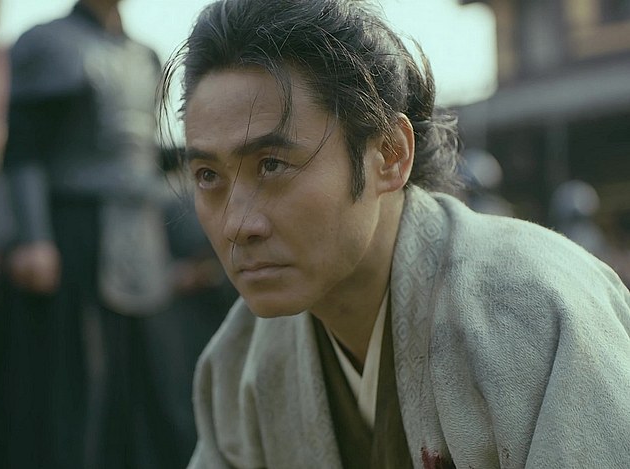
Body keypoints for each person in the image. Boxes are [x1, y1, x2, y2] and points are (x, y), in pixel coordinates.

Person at [159, 0, 630, 467]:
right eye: (208, 176)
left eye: (272, 165)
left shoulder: (534, 312)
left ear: (389, 154)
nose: (236, 225)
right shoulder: (240, 362)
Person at [0, 0, 171, 467]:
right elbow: (23, 149)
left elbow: (147, 155)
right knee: (67, 391)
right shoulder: (48, 43)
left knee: (142, 389)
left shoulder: (146, 56)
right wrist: (33, 236)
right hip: (69, 240)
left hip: (139, 237)